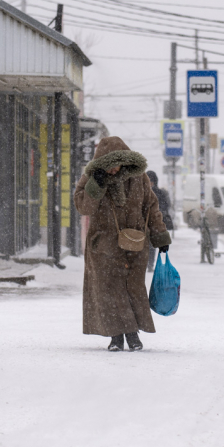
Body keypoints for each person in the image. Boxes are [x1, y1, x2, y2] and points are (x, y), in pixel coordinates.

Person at [73, 137, 172, 352]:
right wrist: (95, 185)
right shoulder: (92, 177)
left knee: (131, 289)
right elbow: (83, 207)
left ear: (125, 161)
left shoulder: (139, 178)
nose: (112, 169)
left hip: (134, 244)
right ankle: (118, 337)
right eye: (107, 165)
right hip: (103, 245)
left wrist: (160, 236)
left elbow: (151, 207)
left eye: (115, 163)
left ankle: (132, 333)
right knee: (109, 290)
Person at [146, 170, 173, 272]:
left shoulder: (156, 193)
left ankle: (150, 264)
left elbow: (164, 207)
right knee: (150, 246)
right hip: (151, 224)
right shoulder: (144, 192)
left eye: (151, 181)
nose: (150, 184)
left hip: (153, 223)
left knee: (151, 245)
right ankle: (150, 264)